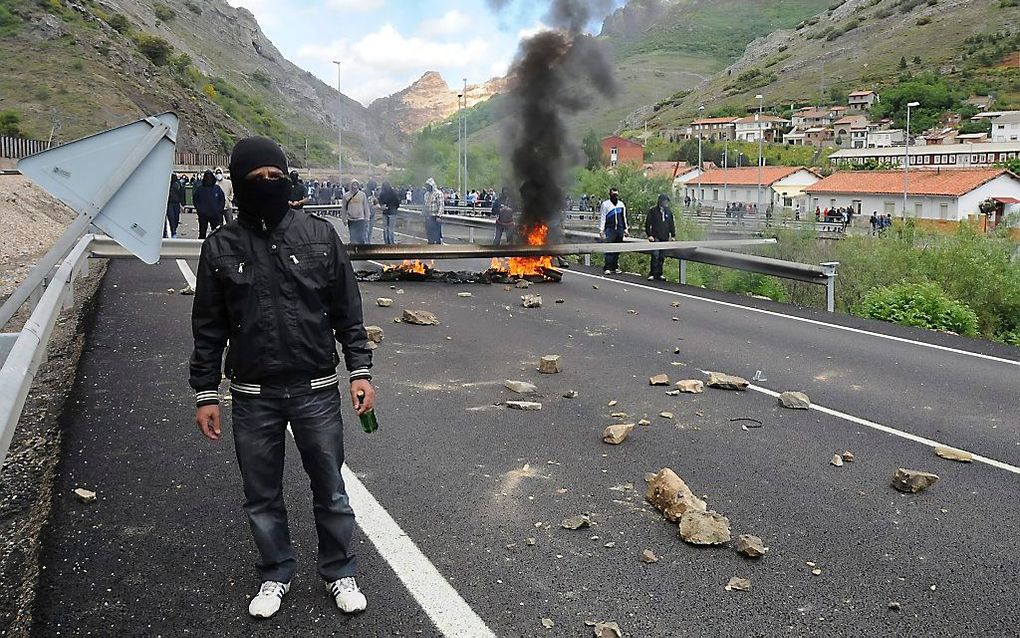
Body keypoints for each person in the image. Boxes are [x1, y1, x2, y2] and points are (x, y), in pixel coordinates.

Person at [190, 136, 374, 621]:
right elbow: (208, 327)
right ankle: (275, 573)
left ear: (287, 177)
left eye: (276, 175)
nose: (268, 185)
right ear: (236, 183)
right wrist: (206, 392)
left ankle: (339, 571)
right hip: (253, 395)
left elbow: (347, 312)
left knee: (331, 488)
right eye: (257, 178)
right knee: (261, 494)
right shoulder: (220, 247)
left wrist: (360, 370)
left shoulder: (319, 236)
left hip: (316, 390)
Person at [644, 193, 675, 281]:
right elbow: (647, 224)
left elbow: (671, 224)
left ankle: (659, 273)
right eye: (665, 201)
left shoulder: (668, 212)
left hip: (664, 237)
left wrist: (673, 235)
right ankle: (652, 273)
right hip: (655, 236)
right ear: (660, 201)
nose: (666, 203)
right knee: (655, 255)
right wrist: (649, 235)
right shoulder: (653, 211)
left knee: (662, 256)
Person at [599, 187, 628, 275]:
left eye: (616, 194)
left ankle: (615, 266)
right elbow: (603, 217)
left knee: (617, 249)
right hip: (610, 229)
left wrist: (625, 229)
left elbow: (624, 217)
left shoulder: (621, 204)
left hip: (619, 229)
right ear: (610, 194)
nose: (615, 196)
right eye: (613, 194)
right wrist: (601, 230)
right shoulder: (605, 204)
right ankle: (607, 267)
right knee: (609, 249)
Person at [193, 169, 225, 239]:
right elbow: (195, 200)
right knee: (202, 232)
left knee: (216, 233)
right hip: (203, 215)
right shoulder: (200, 189)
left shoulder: (217, 188)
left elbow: (222, 200)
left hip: (214, 214)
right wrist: (199, 210)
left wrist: (219, 210)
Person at [344, 179, 372, 244]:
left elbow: (365, 206)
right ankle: (354, 251)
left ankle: (361, 251)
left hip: (360, 219)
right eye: (353, 184)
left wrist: (367, 217)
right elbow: (344, 209)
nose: (355, 186)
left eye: (356, 184)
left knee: (361, 237)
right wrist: (344, 219)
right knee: (353, 237)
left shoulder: (362, 195)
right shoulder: (346, 196)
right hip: (351, 219)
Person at [377, 181, 401, 245]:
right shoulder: (393, 193)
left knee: (385, 228)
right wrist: (393, 207)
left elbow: (379, 201)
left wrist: (383, 206)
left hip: (385, 212)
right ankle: (391, 242)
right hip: (392, 212)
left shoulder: (382, 193)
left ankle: (386, 242)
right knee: (391, 229)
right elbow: (397, 202)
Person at [423, 178, 444, 244]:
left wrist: (439, 216)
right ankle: (430, 246)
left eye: (428, 186)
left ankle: (437, 248)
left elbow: (441, 205)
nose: (427, 187)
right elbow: (425, 205)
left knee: (437, 234)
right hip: (428, 217)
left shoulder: (438, 193)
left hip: (435, 217)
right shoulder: (426, 194)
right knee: (429, 234)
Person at [166, 173, 184, 238]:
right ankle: (173, 231)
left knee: (176, 218)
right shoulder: (168, 183)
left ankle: (174, 230)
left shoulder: (178, 184)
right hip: (169, 203)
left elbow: (181, 193)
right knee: (172, 218)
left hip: (176, 202)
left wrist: (182, 203)